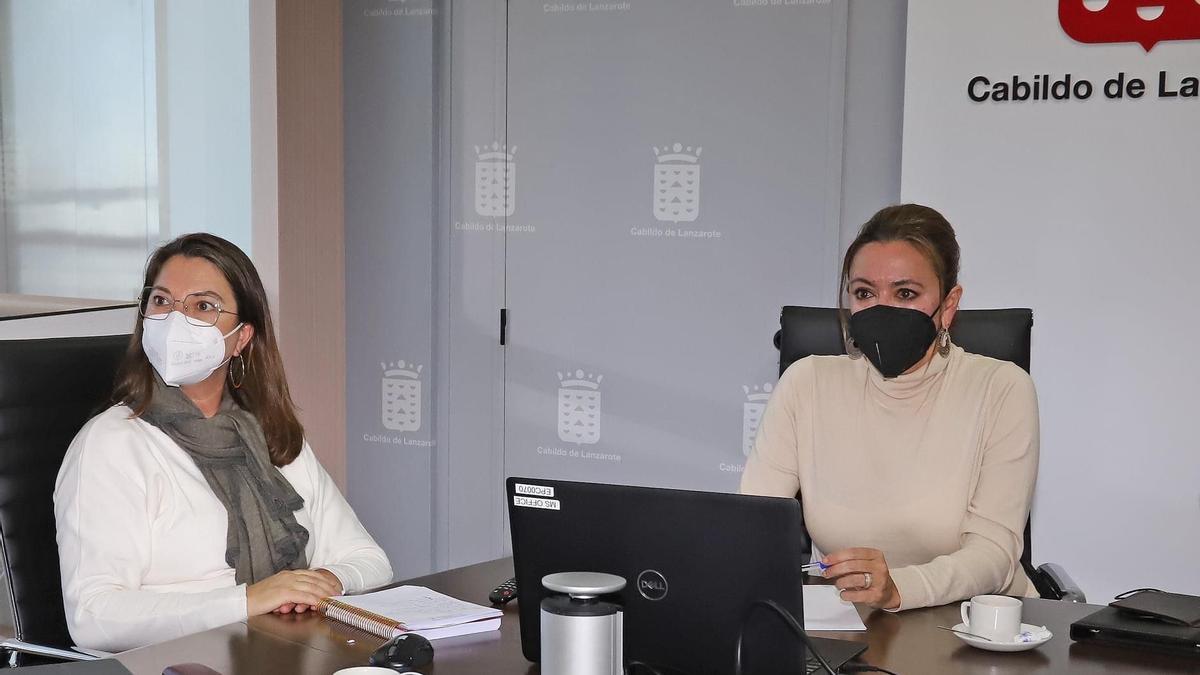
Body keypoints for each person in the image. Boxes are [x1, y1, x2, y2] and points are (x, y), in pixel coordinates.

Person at [54, 233, 392, 652]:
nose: (175, 321)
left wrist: (325, 581)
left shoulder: (271, 434)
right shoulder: (111, 444)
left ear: (242, 337)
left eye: (203, 306)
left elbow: (370, 561)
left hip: (282, 653)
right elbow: (92, 617)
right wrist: (250, 600)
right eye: (161, 301)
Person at [740, 204, 1038, 611]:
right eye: (864, 293)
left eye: (905, 293)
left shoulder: (1002, 390)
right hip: (847, 624)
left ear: (948, 306)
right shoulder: (806, 383)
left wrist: (899, 588)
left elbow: (994, 556)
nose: (882, 309)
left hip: (973, 631)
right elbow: (753, 527)